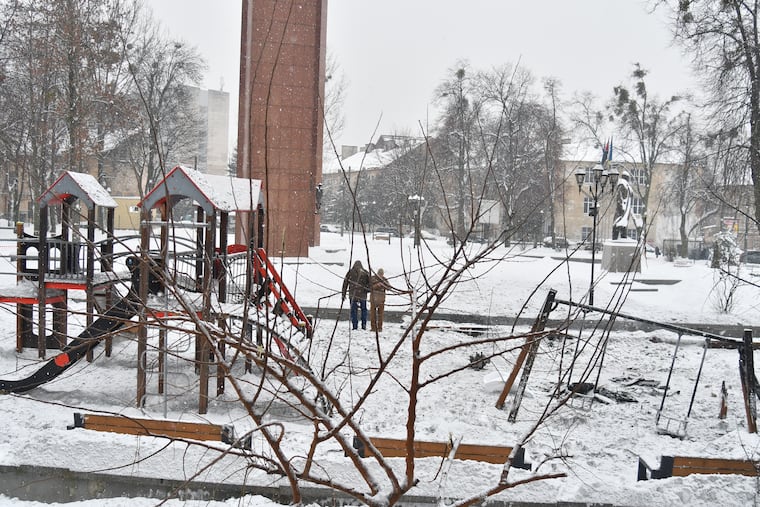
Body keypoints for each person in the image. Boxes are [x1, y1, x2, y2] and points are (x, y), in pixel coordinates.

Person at [342, 260, 370, 330]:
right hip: (362, 295)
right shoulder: (365, 272)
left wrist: (343, 294)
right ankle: (363, 325)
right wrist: (366, 290)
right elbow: (370, 284)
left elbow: (345, 283)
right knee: (364, 310)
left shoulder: (350, 272)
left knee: (353, 311)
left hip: (353, 295)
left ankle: (355, 325)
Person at [612, 170, 633, 240]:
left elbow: (619, 198)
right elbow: (620, 198)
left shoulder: (623, 185)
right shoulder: (625, 186)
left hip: (621, 212)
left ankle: (616, 242)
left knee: (616, 228)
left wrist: (621, 208)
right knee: (622, 228)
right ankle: (620, 242)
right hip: (625, 212)